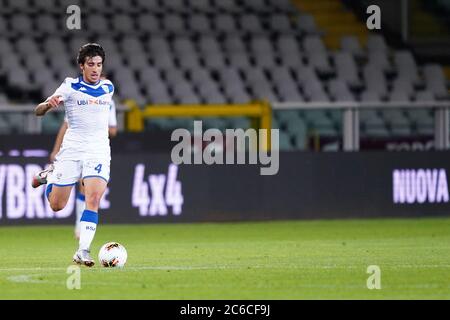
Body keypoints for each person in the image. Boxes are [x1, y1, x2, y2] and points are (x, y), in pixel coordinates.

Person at [32, 43, 114, 267]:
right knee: (57, 206)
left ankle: (83, 250)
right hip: (72, 151)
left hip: (98, 152)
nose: (95, 69)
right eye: (91, 65)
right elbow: (37, 111)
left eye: (98, 65)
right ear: (81, 66)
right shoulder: (69, 86)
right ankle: (50, 176)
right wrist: (49, 105)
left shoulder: (108, 88)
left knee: (94, 198)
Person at [49, 75, 117, 240]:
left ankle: (80, 229)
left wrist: (94, 127)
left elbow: (113, 130)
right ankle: (49, 177)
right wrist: (56, 150)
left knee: (88, 190)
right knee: (59, 203)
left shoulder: (108, 100)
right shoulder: (76, 94)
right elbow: (66, 125)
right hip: (75, 149)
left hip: (95, 150)